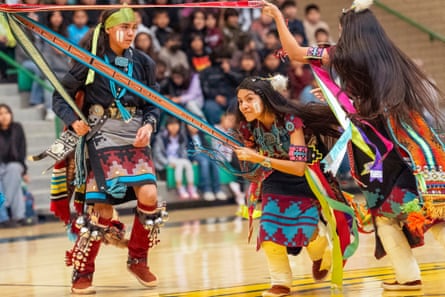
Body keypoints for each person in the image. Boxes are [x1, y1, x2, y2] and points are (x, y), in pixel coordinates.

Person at [263, 0, 445, 291]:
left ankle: (407, 275)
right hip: (405, 142)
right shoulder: (390, 57)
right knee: (427, 208)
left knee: (385, 214)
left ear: (349, 30)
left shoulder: (337, 55)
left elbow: (295, 53)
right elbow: (369, 101)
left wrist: (276, 16)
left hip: (372, 148)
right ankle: (407, 277)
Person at [52, 7, 162, 294]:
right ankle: (82, 270)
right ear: (110, 30)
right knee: (101, 209)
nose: (130, 33)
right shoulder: (89, 62)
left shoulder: (144, 62)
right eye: (124, 27)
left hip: (135, 136)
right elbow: (59, 97)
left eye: (133, 28)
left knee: (149, 194)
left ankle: (137, 257)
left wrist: (149, 125)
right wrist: (73, 120)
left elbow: (154, 103)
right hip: (101, 135)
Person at [232, 75, 349, 297]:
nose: (243, 106)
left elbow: (298, 167)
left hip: (307, 179)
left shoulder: (291, 120)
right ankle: (280, 283)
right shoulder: (248, 127)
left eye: (249, 99)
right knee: (268, 231)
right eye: (240, 101)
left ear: (264, 98)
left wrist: (259, 158)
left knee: (305, 233)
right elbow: (252, 173)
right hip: (275, 180)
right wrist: (246, 157)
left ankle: (320, 254)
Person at [152, 116, 199, 200]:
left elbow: (184, 151)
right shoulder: (161, 137)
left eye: (176, 124)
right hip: (166, 160)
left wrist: (187, 159)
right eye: (171, 125)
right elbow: (157, 154)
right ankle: (180, 188)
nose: (174, 127)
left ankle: (191, 188)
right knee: (180, 164)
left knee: (187, 163)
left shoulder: (181, 136)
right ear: (167, 126)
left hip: (179, 159)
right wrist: (167, 163)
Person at [0, 104, 29, 228]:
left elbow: (22, 150)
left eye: (6, 112)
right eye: (0, 114)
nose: (4, 116)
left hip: (15, 164)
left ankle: (5, 207)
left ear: (11, 114)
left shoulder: (17, 128)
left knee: (14, 169)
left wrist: (24, 172)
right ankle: (15, 216)